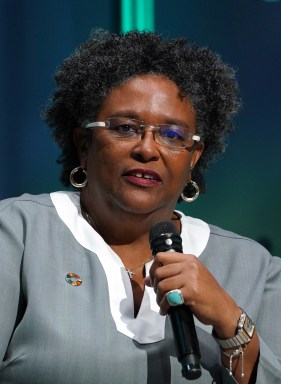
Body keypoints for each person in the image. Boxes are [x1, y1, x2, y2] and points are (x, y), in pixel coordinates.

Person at [0, 29, 280, 384]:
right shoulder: (17, 234)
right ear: (84, 144)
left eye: (173, 135)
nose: (147, 149)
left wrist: (230, 321)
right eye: (126, 127)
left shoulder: (257, 269)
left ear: (193, 157)